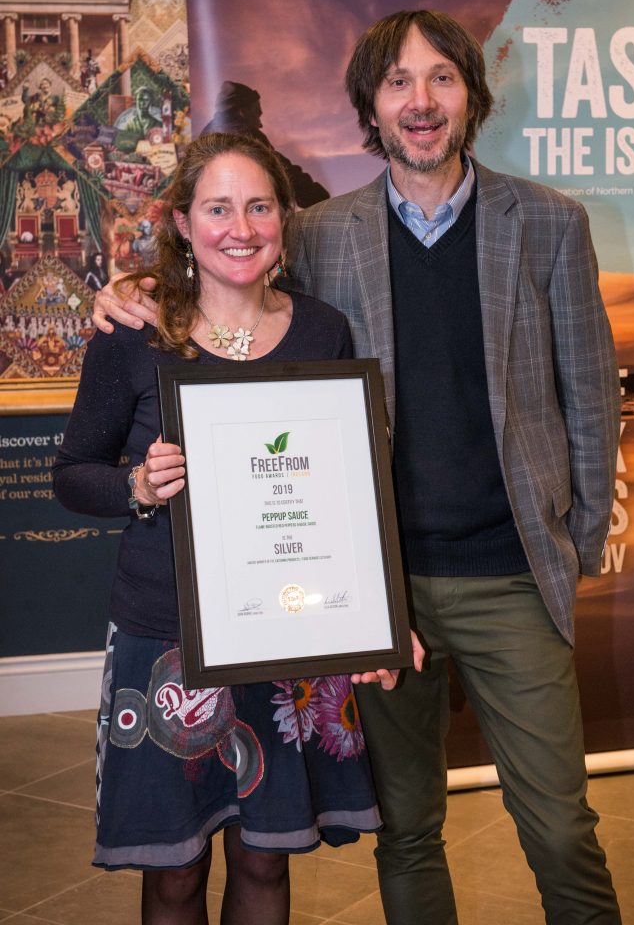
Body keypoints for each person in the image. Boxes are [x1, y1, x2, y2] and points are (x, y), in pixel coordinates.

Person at [92, 10, 622, 925]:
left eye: (441, 78)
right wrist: (135, 287)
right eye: (397, 82)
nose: (420, 101)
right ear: (370, 108)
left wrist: (572, 544)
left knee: (560, 828)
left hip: (510, 578)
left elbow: (590, 398)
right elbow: (229, 286)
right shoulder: (321, 234)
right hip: (377, 591)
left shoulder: (548, 223)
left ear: (471, 96)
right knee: (406, 831)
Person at [55, 133, 404, 925]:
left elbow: (347, 490)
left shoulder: (323, 331)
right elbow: (73, 474)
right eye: (217, 209)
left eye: (258, 207)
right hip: (166, 636)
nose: (240, 229)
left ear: (284, 219)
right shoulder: (134, 332)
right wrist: (137, 485)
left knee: (266, 858)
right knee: (175, 871)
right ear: (182, 222)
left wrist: (371, 619)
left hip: (290, 636)